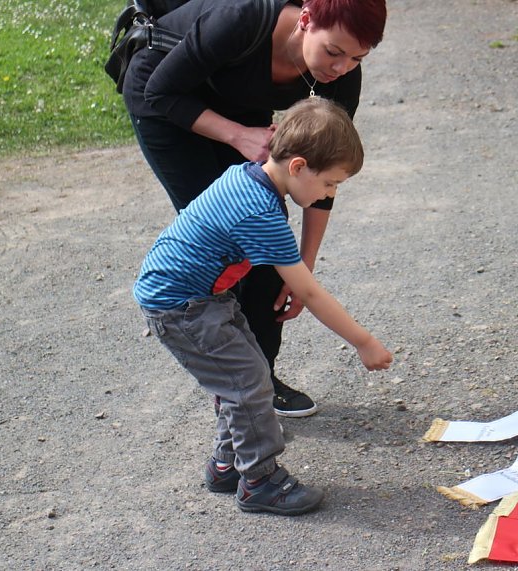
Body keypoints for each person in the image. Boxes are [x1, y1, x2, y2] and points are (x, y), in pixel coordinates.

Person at [122, 0, 387, 417]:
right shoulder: (242, 20)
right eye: (333, 52)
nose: (341, 68)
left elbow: (325, 167)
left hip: (241, 110)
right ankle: (236, 383)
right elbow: (158, 89)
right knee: (234, 237)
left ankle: (258, 380)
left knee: (269, 248)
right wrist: (237, 135)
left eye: (357, 58)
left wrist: (304, 264)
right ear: (305, 20)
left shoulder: (341, 78)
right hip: (167, 103)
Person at [133, 98, 393, 515]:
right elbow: (308, 293)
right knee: (248, 383)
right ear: (298, 167)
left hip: (201, 297)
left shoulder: (249, 179)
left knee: (243, 376)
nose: (329, 193)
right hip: (181, 305)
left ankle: (228, 463)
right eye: (330, 183)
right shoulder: (259, 212)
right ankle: (260, 481)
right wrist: (363, 342)